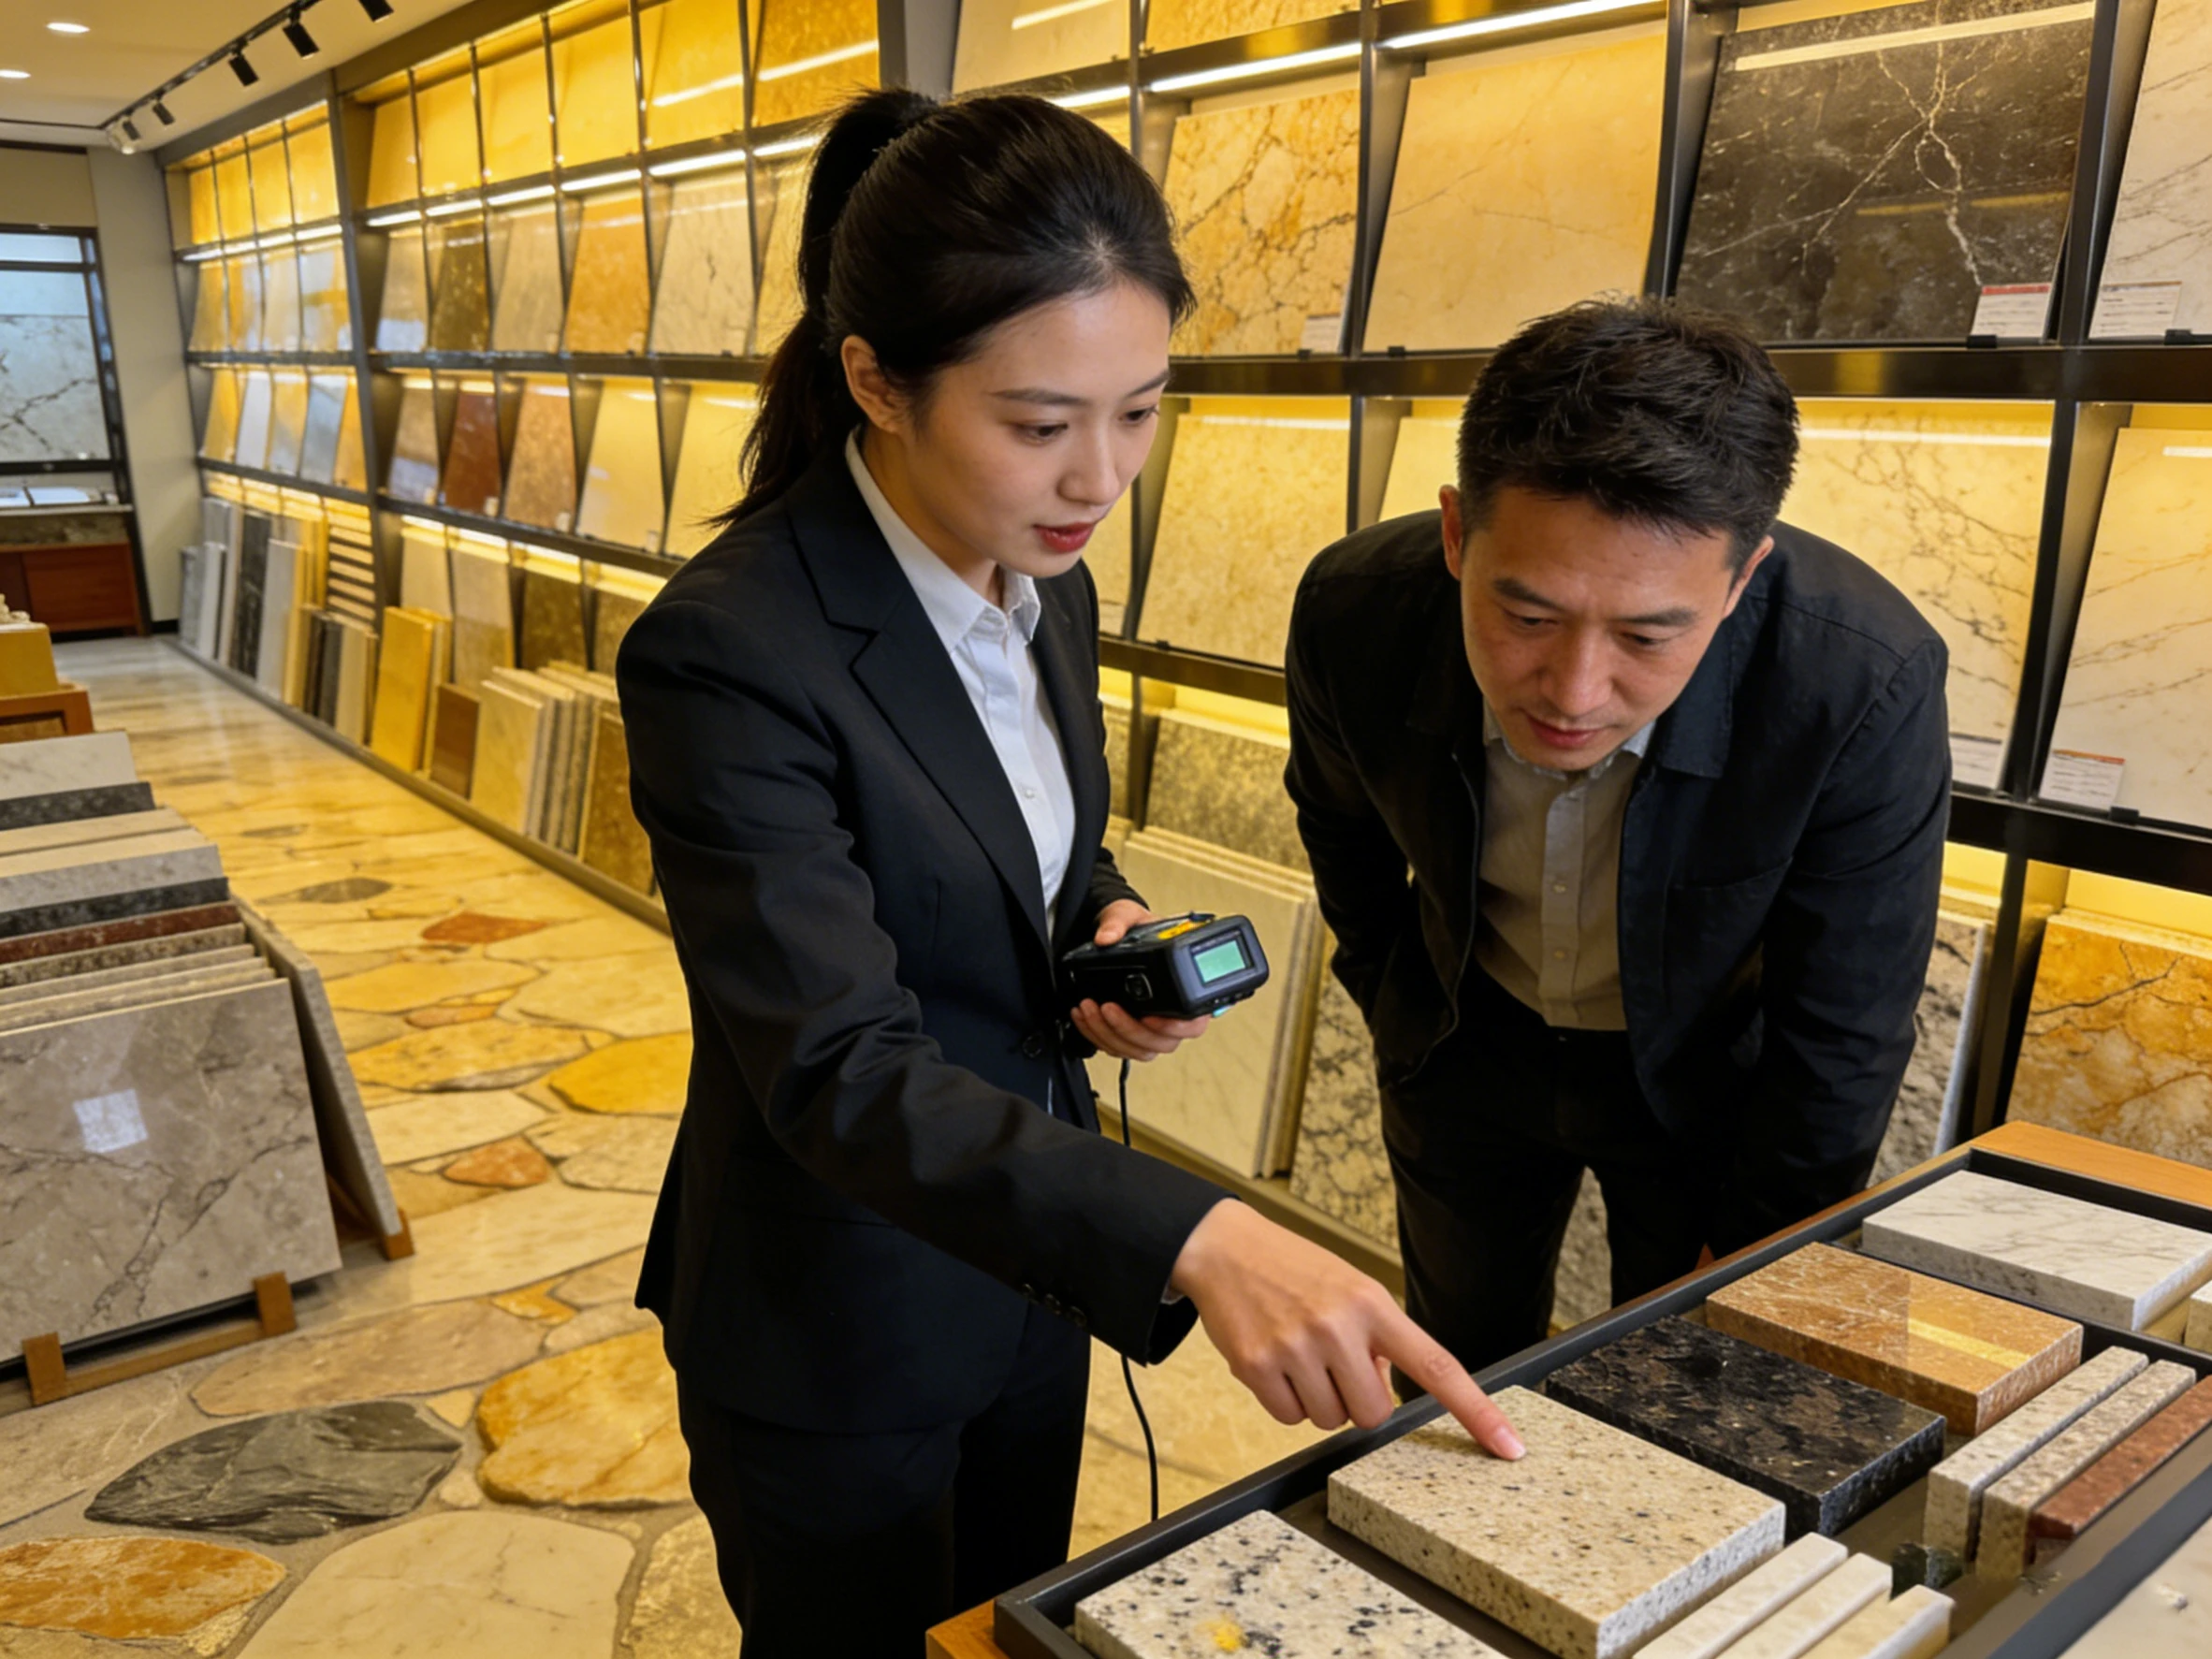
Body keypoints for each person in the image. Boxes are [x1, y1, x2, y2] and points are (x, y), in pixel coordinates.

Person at [616, 89, 1521, 1658]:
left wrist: (1097, 920)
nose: (1096, 476)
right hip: (839, 1316)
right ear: (873, 382)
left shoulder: (1041, 579)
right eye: (1037, 424)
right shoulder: (727, 651)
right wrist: (1197, 1232)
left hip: (1023, 1275)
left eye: (1140, 410)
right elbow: (832, 1065)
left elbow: (1029, 832)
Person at [1286, 298, 1950, 1374]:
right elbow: (1343, 835)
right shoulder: (1355, 611)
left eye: (1647, 636)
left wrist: (1757, 1255)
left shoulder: (1860, 681)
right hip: (1468, 1044)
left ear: (1741, 580)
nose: (1575, 691)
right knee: (1456, 1358)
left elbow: (1848, 1024)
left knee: (1689, 1376)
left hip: (1706, 1081)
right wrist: (1403, 1015)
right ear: (1458, 534)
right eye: (1529, 616)